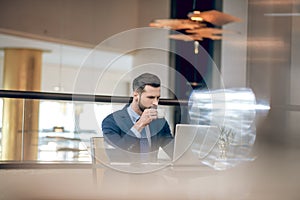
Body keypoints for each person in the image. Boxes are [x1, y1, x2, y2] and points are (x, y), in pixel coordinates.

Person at [101, 73, 173, 160]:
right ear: (136, 95)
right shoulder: (111, 121)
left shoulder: (159, 122)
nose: (155, 103)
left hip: (152, 172)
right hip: (123, 172)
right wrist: (140, 124)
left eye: (157, 98)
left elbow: (173, 151)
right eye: (150, 97)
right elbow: (117, 154)